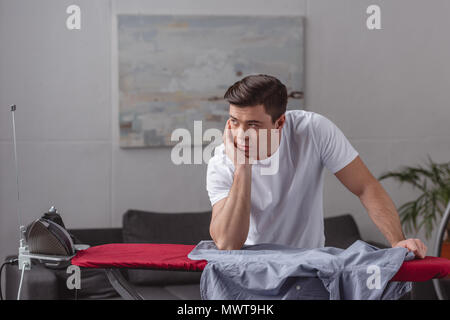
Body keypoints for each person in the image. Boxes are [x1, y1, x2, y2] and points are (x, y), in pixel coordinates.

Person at [206, 74, 427, 259]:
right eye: (234, 121)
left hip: (308, 266)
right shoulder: (222, 160)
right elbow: (227, 244)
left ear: (279, 122)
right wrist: (243, 168)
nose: (240, 134)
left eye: (253, 124)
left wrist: (398, 242)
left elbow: (365, 187)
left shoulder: (313, 130)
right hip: (249, 268)